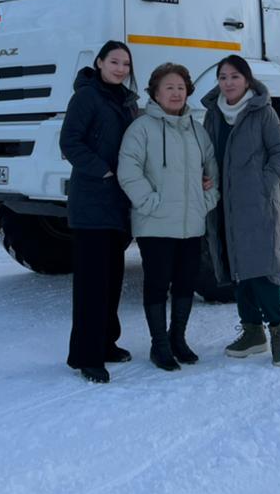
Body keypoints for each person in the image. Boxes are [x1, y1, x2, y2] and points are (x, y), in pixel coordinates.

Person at [117, 63, 219, 371]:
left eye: (180, 87)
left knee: (186, 282)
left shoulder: (197, 131)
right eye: (168, 88)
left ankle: (179, 339)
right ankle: (159, 345)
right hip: (155, 223)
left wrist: (207, 200)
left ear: (188, 91)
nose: (175, 93)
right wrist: (149, 203)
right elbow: (128, 170)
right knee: (157, 283)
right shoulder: (141, 129)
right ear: (156, 93)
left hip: (191, 222)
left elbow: (211, 169)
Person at [201, 55, 280, 367]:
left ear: (247, 80)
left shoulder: (262, 111)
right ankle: (252, 331)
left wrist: (264, 184)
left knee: (262, 266)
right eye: (223, 77)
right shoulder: (214, 114)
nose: (228, 83)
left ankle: (279, 327)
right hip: (224, 203)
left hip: (256, 202)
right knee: (237, 267)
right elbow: (207, 153)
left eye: (235, 77)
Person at [59, 41, 140, 384]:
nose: (121, 69)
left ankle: (107, 342)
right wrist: (103, 170)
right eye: (115, 62)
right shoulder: (86, 97)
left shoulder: (125, 100)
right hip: (93, 200)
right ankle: (86, 356)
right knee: (92, 283)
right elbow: (70, 142)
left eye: (125, 64)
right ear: (100, 62)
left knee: (112, 278)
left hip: (118, 204)